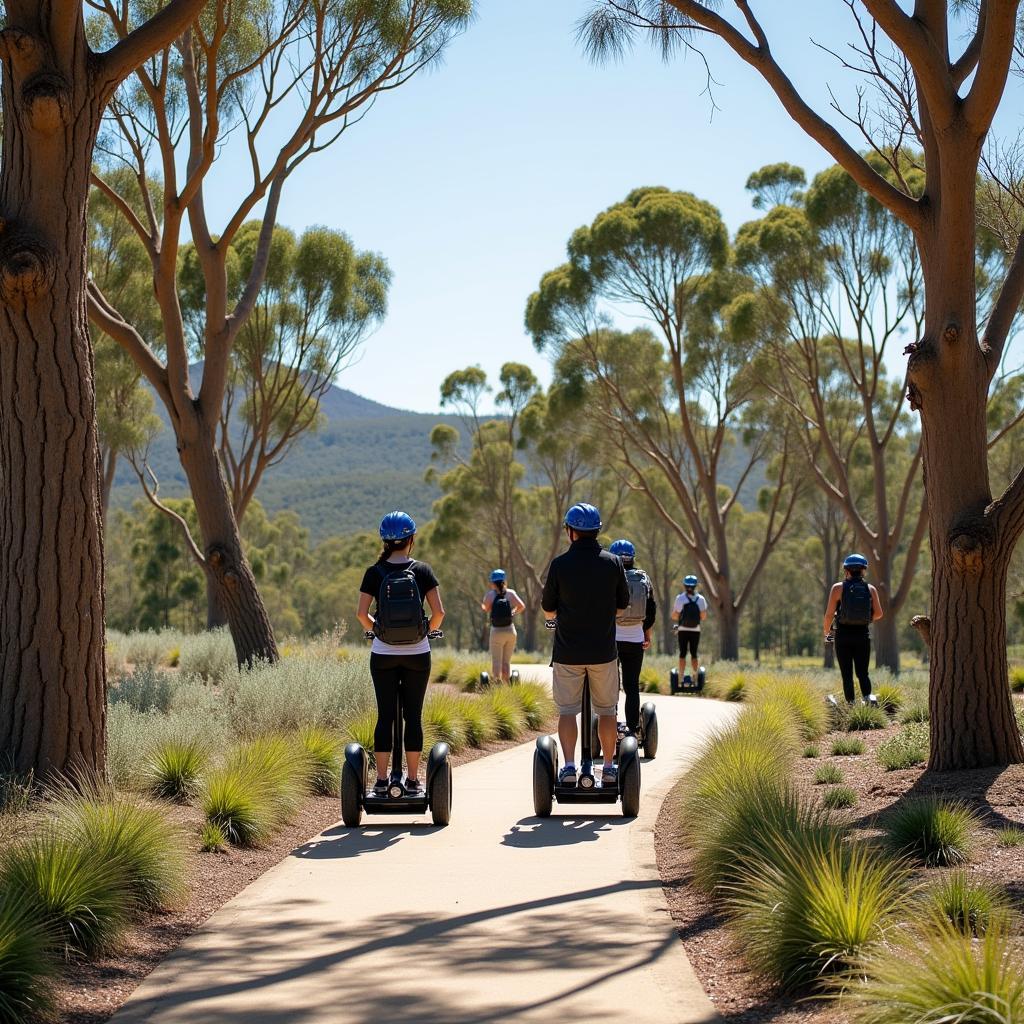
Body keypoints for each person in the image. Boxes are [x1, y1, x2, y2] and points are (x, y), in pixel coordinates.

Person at [542, 503, 630, 788]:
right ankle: (607, 768)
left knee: (568, 711)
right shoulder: (613, 562)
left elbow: (548, 610)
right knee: (607, 711)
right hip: (603, 652)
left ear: (571, 532)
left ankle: (569, 767)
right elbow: (622, 606)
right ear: (596, 531)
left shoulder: (559, 565)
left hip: (568, 652)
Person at [357, 511, 445, 796]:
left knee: (385, 717)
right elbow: (439, 613)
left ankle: (382, 782)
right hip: (418, 654)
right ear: (411, 539)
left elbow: (361, 614)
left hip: (382, 654)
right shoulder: (422, 571)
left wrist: (378, 631)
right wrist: (425, 632)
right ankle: (412, 782)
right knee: (414, 717)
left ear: (385, 540)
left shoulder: (374, 572)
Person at [608, 539, 656, 736]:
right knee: (631, 686)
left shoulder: (607, 578)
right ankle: (633, 728)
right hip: (635, 639)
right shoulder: (642, 577)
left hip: (611, 640)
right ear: (632, 558)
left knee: (611, 686)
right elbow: (651, 610)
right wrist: (646, 633)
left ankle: (610, 726)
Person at [823, 553, 884, 704]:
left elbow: (829, 615)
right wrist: (865, 619)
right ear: (864, 570)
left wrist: (827, 634)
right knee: (863, 673)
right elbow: (879, 614)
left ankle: (851, 706)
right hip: (862, 635)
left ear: (846, 570)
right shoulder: (870, 589)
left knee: (847, 674)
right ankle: (869, 701)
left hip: (842, 636)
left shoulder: (838, 588)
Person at [481, 569, 526, 684]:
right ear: (504, 581)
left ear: (492, 582)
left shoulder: (490, 594)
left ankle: (497, 687)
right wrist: (512, 612)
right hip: (510, 631)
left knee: (496, 662)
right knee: (506, 662)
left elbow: (485, 608)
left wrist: (491, 608)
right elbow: (521, 606)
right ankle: (506, 687)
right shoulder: (511, 593)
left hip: (496, 631)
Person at [671, 574, 707, 680]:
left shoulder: (680, 598)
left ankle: (681, 677)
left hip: (682, 630)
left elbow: (674, 616)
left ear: (684, 586)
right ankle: (695, 677)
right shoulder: (701, 599)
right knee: (694, 653)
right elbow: (703, 617)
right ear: (695, 586)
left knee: (682, 653)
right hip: (696, 630)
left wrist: (675, 629)